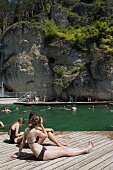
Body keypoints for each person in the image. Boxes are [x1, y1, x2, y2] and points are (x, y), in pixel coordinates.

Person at [11, 115, 93, 160]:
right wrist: (42, 125)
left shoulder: (26, 129)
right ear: (38, 123)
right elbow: (46, 135)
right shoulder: (35, 131)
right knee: (65, 152)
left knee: (62, 148)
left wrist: (19, 154)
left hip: (41, 149)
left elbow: (22, 143)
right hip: (41, 154)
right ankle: (85, 150)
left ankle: (82, 148)